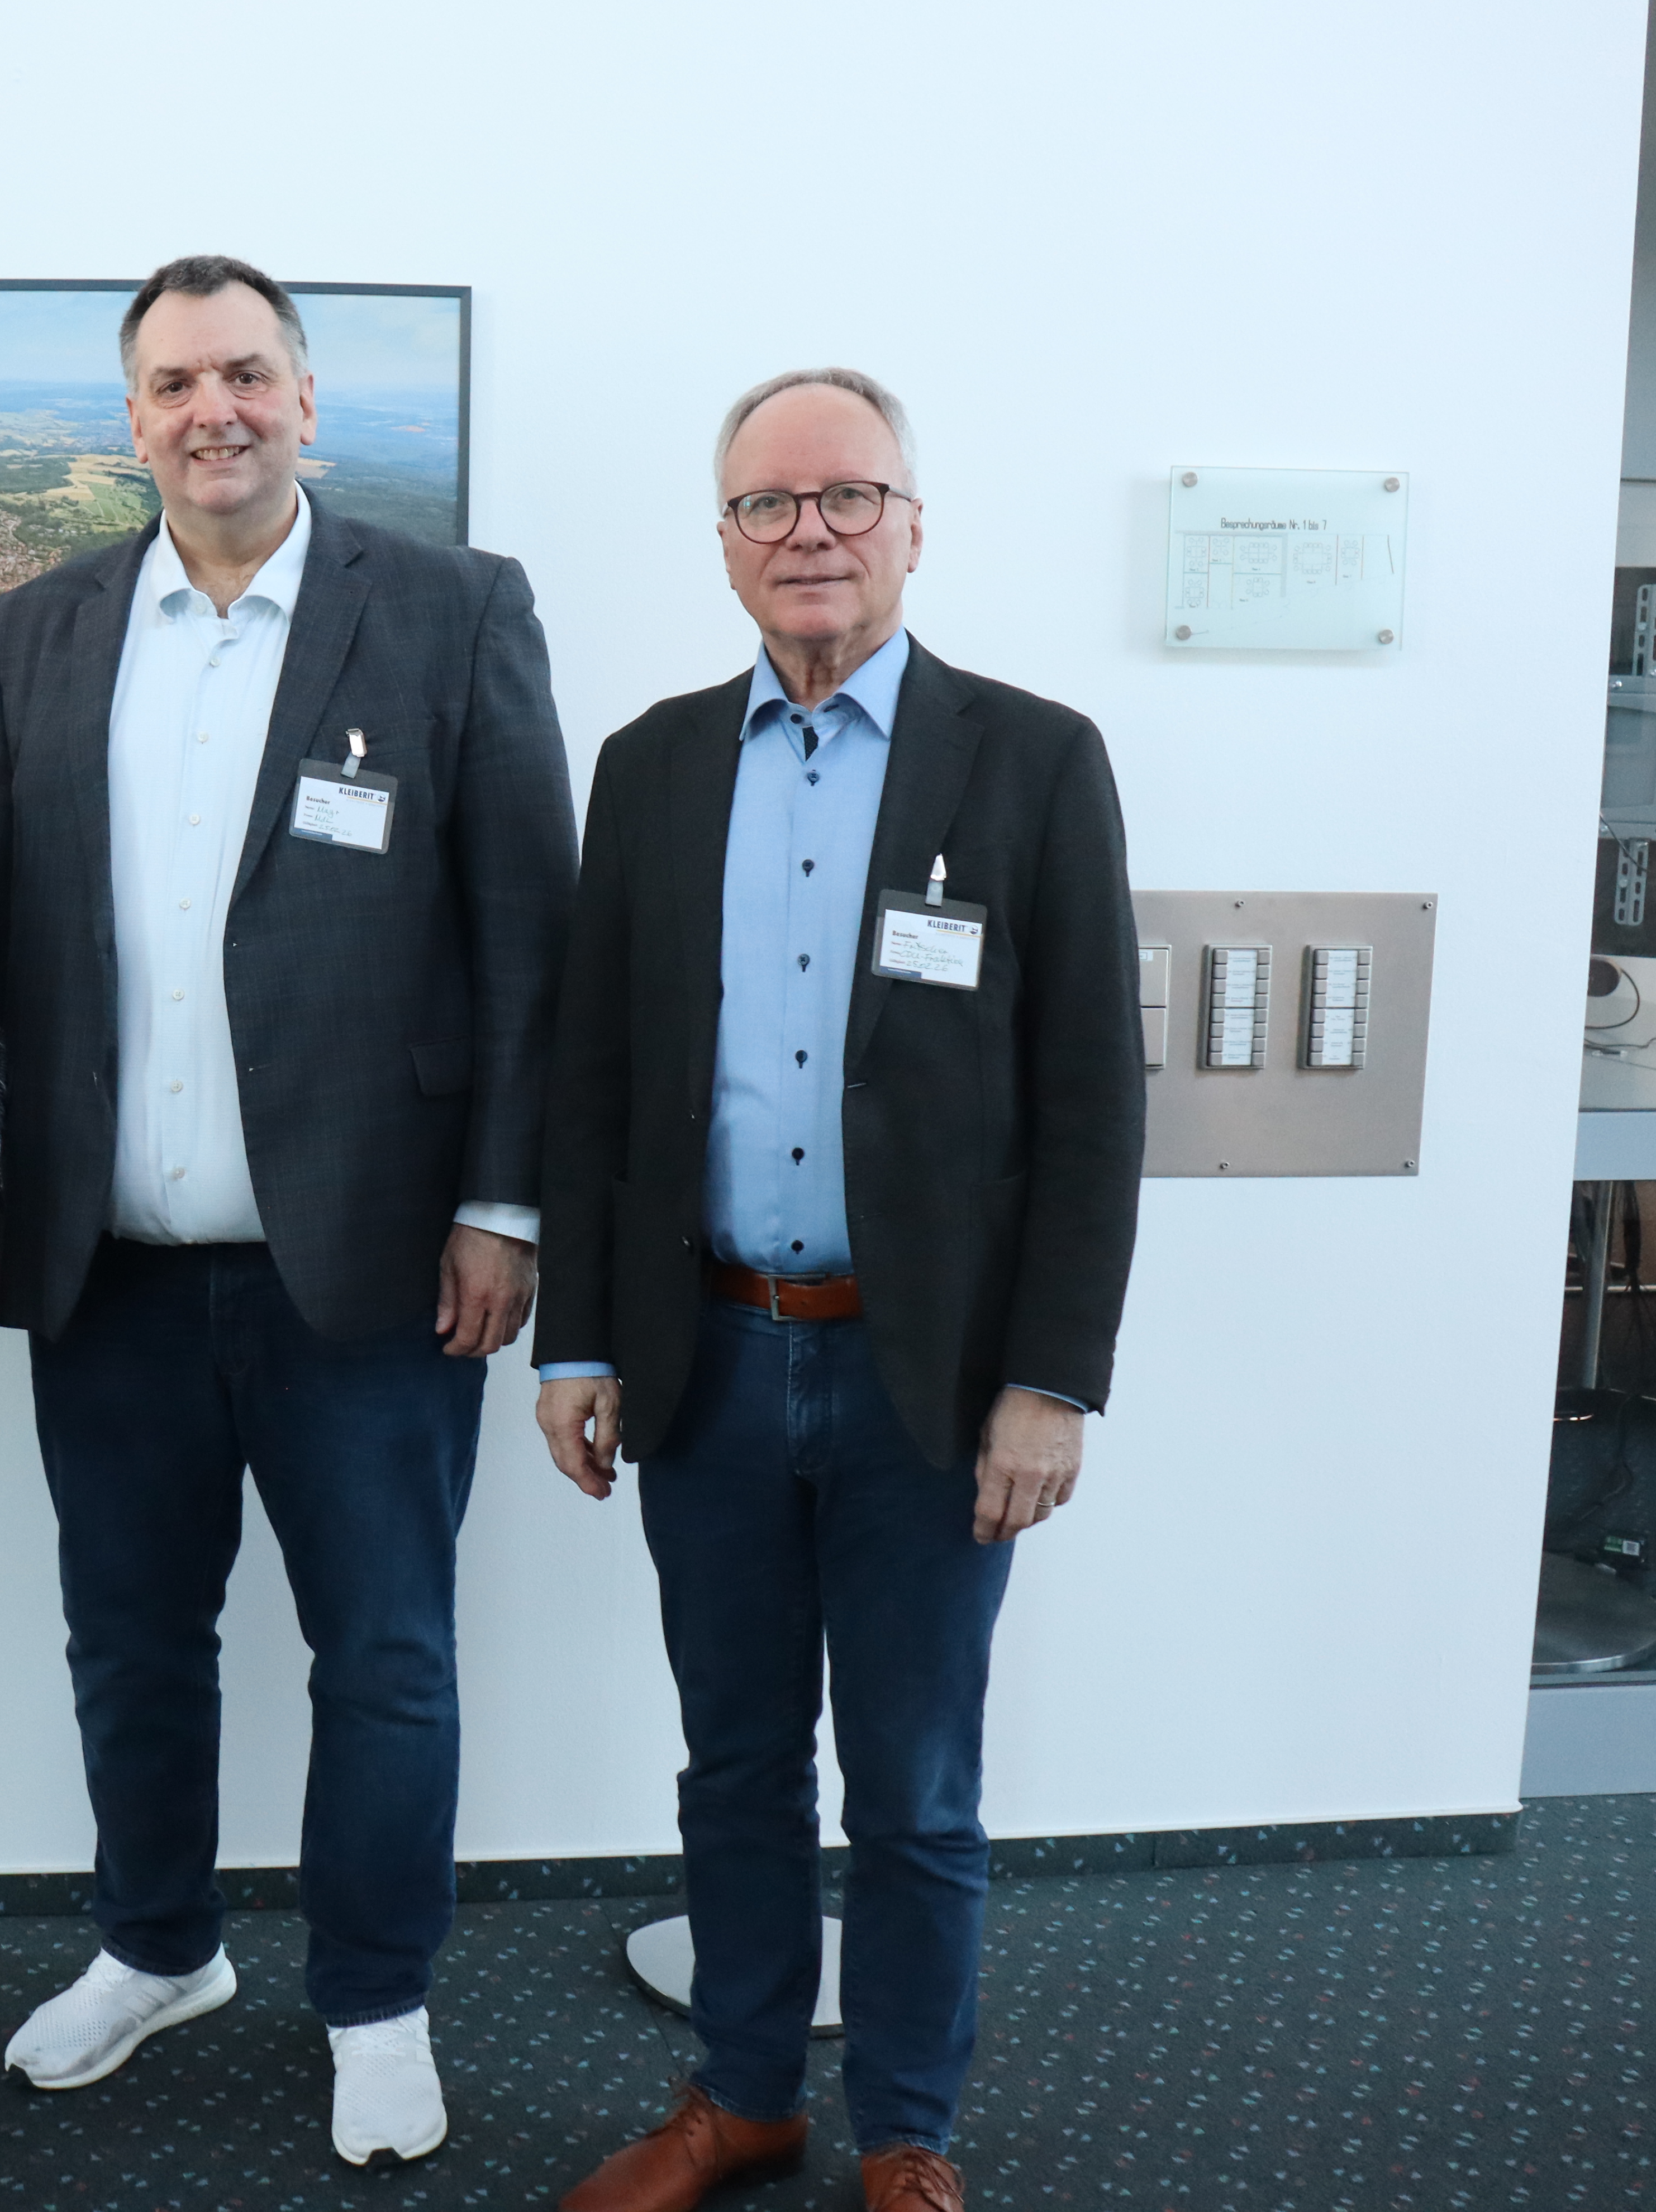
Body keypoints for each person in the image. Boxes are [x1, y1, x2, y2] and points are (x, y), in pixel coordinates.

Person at [0, 255, 576, 2169]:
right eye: (171, 382)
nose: (209, 409)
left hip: (377, 1269)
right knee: (129, 1641)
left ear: (308, 397)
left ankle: (377, 1996)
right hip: (109, 1269)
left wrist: (503, 1203)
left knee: (384, 1651)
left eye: (245, 372)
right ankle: (158, 1948)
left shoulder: (456, 612)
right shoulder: (36, 633)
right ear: (131, 417)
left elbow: (528, 937)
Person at [532, 369, 1145, 2212]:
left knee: (916, 1793)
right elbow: (597, 1082)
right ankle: (743, 2099)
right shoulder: (649, 765)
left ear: (912, 524)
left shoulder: (1032, 760)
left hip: (931, 1384)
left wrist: (1052, 1379)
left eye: (846, 498)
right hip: (708, 1359)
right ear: (723, 543)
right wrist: (577, 1334)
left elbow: (1095, 1099)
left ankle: (906, 2133)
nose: (809, 534)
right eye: (767, 507)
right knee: (731, 1770)